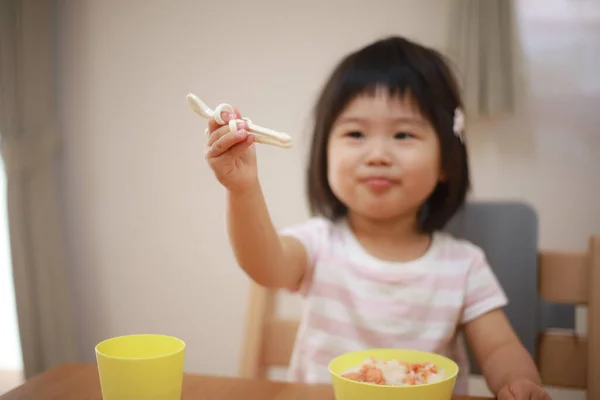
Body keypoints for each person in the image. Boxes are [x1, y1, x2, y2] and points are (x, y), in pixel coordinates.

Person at [204, 36, 550, 399]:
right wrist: (242, 189)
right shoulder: (319, 245)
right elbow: (265, 264)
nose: (378, 154)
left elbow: (499, 351)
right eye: (355, 133)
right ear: (325, 154)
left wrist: (518, 383)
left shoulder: (463, 265)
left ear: (447, 160)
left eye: (403, 134)